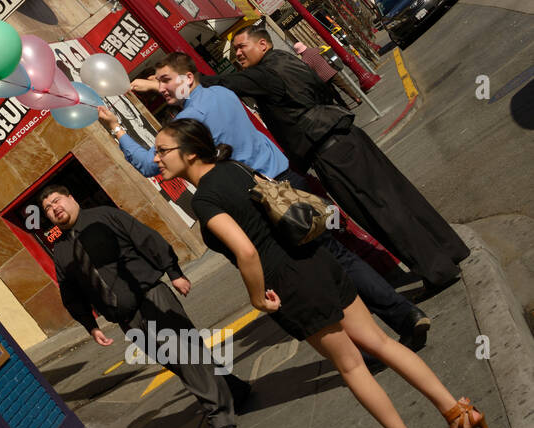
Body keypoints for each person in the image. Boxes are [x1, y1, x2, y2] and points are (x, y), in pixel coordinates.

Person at [154, 118, 495, 428]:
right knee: (381, 343)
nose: (156, 158)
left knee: (352, 368)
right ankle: (459, 414)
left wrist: (256, 298)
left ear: (190, 153)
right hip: (316, 260)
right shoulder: (234, 168)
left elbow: (246, 251)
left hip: (289, 284)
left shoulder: (205, 200)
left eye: (162, 150)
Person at [114, 52, 431, 350]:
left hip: (264, 199)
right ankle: (404, 316)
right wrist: (161, 85)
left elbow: (150, 165)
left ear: (187, 78)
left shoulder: (193, 119)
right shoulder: (222, 95)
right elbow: (197, 84)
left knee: (314, 275)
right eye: (160, 81)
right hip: (287, 181)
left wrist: (117, 131)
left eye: (166, 80)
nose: (161, 88)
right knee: (338, 257)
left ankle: (365, 348)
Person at [199, 25, 469, 293]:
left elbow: (226, 82)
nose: (237, 55)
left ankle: (437, 270)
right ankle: (450, 249)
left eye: (241, 47)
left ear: (263, 45)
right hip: (347, 136)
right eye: (235, 50)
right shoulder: (287, 61)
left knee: (380, 210)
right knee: (399, 195)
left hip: (331, 151)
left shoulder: (265, 73)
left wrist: (188, 80)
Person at [40, 183, 249, 428]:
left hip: (152, 297)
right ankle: (235, 389)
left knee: (183, 355)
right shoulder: (61, 251)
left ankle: (220, 418)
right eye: (47, 208)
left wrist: (173, 272)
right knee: (177, 360)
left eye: (57, 200)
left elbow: (145, 238)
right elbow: (71, 293)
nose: (54, 208)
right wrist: (90, 325)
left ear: (70, 198)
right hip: (126, 318)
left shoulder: (104, 216)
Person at [293, 42, 362, 109]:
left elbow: (310, 72)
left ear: (299, 52)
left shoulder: (304, 60)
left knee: (333, 93)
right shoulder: (316, 49)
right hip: (331, 71)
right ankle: (356, 98)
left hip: (322, 79)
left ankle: (345, 106)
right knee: (344, 86)